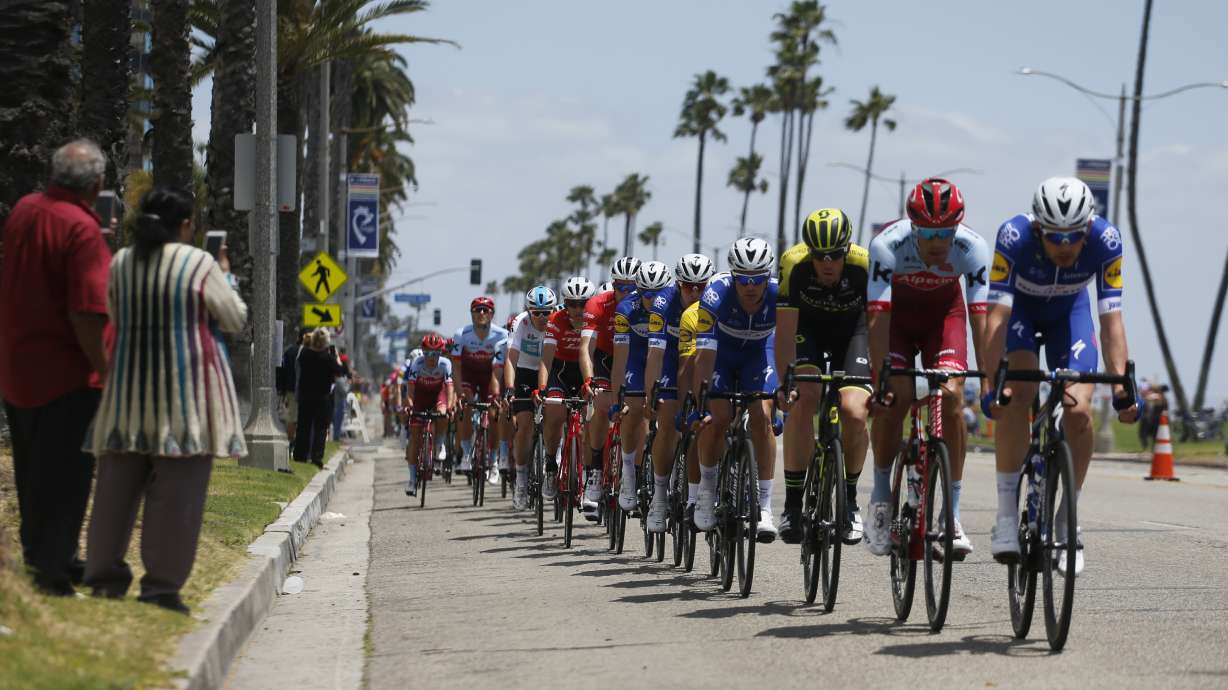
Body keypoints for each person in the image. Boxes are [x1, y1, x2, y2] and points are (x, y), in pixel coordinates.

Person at [83, 186, 247, 614]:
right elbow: (233, 317)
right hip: (186, 396)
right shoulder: (199, 263)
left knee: (115, 491)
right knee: (177, 496)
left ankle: (103, 578)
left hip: (126, 392)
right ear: (186, 226)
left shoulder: (121, 263)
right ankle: (160, 588)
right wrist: (225, 273)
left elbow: (115, 315)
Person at [982, 176, 1139, 576]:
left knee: (1079, 411)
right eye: (1055, 237)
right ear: (1038, 229)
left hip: (1070, 314)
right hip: (1021, 312)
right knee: (1018, 392)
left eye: (1074, 236)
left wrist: (1122, 386)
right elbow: (996, 317)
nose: (1065, 247)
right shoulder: (1013, 236)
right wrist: (990, 384)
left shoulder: (1107, 241)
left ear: (1088, 228)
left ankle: (1068, 520)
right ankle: (1004, 516)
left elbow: (1111, 320)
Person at [0, 139, 112, 595]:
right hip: (66, 375)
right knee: (67, 478)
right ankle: (51, 571)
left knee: (32, 472)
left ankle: (46, 556)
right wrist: (104, 370)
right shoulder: (81, 230)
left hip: (17, 366)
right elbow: (86, 311)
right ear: (97, 184)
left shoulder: (25, 210)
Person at [865, 178, 989, 560]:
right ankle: (882, 495)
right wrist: (880, 378)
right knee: (896, 397)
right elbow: (877, 320)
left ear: (958, 227)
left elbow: (980, 320)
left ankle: (950, 515)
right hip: (897, 323)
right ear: (913, 227)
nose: (938, 242)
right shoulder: (887, 245)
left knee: (952, 398)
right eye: (929, 233)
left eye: (945, 233)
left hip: (944, 319)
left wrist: (987, 381)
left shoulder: (973, 248)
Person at [774, 208, 873, 546]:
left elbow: (878, 323)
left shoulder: (865, 264)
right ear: (809, 252)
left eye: (835, 255)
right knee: (803, 399)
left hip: (853, 333)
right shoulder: (793, 264)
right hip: (808, 332)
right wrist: (784, 383)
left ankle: (850, 499)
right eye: (820, 256)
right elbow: (785, 331)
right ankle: (792, 504)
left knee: (855, 411)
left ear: (847, 250)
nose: (827, 263)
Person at [692, 237, 780, 542]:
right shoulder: (716, 293)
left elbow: (785, 345)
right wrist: (702, 398)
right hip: (722, 353)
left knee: (762, 415)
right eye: (743, 279)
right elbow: (703, 354)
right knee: (718, 417)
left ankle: (764, 506)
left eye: (757, 279)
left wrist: (780, 394)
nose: (750, 286)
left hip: (759, 353)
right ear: (733, 276)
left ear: (768, 277)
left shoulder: (777, 294)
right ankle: (706, 488)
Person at [641, 253, 715, 533]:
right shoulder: (663, 304)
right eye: (688, 286)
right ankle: (660, 497)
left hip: (701, 356)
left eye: (701, 287)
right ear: (678, 284)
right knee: (670, 423)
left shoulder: (714, 303)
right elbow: (654, 356)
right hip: (671, 360)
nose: (694, 292)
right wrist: (651, 395)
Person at [609, 261, 674, 515]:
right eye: (645, 293)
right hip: (636, 358)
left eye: (656, 293)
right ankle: (628, 472)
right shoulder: (626, 309)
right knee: (633, 410)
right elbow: (619, 360)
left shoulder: (673, 305)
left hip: (664, 357)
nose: (650, 299)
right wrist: (616, 400)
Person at [579, 257, 640, 518]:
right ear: (613, 285)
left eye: (631, 287)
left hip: (633, 358)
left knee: (637, 409)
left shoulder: (645, 302)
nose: (626, 292)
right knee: (602, 406)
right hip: (605, 358)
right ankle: (594, 471)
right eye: (620, 287)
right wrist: (589, 379)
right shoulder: (598, 304)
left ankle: (633, 475)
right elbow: (585, 348)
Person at [537, 276, 596, 506]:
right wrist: (542, 389)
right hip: (560, 373)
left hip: (586, 372)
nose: (578, 309)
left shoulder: (594, 320)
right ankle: (551, 465)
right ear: (565, 304)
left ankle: (586, 474)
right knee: (554, 416)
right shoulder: (555, 320)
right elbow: (546, 361)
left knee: (588, 426)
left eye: (583, 304)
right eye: (572, 304)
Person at [504, 286, 555, 509]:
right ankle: (522, 478)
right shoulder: (521, 323)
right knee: (524, 425)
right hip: (525, 371)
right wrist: (509, 389)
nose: (543, 317)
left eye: (548, 312)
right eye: (537, 312)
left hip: (551, 371)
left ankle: (556, 463)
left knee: (557, 416)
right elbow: (511, 359)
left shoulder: (559, 319)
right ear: (529, 311)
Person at [451, 296, 507, 473]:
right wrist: (459, 393)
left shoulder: (501, 335)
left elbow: (503, 367)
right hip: (469, 375)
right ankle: (467, 454)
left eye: (486, 310)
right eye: (477, 310)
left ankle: (493, 460)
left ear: (492, 314)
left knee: (494, 414)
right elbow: (456, 367)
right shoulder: (461, 335)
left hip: (490, 377)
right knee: (465, 407)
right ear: (471, 314)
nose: (481, 313)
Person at [402, 333, 454, 496]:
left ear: (441, 353)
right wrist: (409, 406)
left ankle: (439, 444)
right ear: (423, 352)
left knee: (443, 413)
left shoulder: (446, 364)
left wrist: (451, 406)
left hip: (438, 396)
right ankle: (411, 480)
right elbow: (410, 392)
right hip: (420, 398)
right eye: (428, 354)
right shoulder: (417, 365)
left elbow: (450, 390)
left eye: (436, 354)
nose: (432, 358)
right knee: (414, 439)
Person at [294, 329, 345, 466]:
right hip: (322, 397)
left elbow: (299, 363)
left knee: (303, 426)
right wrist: (336, 356)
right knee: (320, 428)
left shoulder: (305, 354)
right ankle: (317, 457)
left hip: (305, 396)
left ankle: (300, 455)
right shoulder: (328, 359)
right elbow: (340, 371)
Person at [278, 327, 311, 441]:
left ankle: (291, 442)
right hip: (304, 390)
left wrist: (282, 390)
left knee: (293, 417)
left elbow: (283, 370)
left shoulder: (290, 351)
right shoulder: (310, 353)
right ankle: (293, 442)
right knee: (299, 418)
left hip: (291, 389)